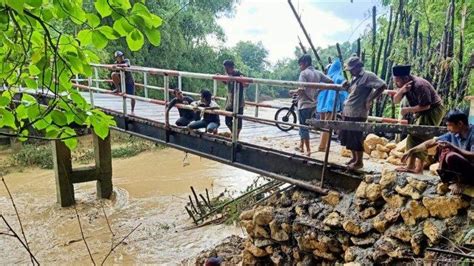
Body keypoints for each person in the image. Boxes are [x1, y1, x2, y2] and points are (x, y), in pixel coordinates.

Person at [402, 111, 473, 194]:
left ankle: (462, 182)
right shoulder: (453, 133)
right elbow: (431, 142)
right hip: (464, 170)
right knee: (441, 149)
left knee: (451, 156)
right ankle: (451, 180)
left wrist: (453, 147)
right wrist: (411, 150)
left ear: (460, 124)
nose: (448, 128)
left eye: (449, 125)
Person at [392, 65, 445, 173]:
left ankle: (419, 168)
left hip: (434, 110)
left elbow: (427, 105)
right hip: (422, 112)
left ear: (405, 78)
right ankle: (410, 166)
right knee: (412, 135)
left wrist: (407, 110)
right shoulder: (405, 86)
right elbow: (395, 100)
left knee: (422, 135)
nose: (396, 83)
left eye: (397, 81)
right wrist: (401, 90)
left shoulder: (420, 85)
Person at [340, 55, 387, 170]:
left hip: (358, 112)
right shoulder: (355, 78)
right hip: (348, 110)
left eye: (351, 70)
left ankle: (359, 162)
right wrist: (347, 87)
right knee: (348, 136)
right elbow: (353, 93)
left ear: (357, 67)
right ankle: (354, 158)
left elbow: (383, 85)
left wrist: (370, 99)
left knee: (356, 137)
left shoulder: (368, 76)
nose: (350, 72)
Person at [290, 54, 333, 156]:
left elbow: (301, 90)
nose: (300, 67)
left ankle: (308, 150)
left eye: (300, 65)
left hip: (304, 104)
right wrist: (318, 90)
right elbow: (330, 81)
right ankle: (301, 146)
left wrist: (292, 91)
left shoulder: (304, 73)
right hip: (314, 104)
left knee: (303, 127)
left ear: (305, 63)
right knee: (304, 125)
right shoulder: (318, 73)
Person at [316, 58, 348, 152]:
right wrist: (343, 106)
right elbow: (343, 94)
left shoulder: (326, 77)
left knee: (323, 125)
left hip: (322, 106)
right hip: (331, 105)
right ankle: (322, 147)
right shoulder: (340, 78)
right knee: (327, 126)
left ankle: (322, 145)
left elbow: (318, 91)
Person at [222, 60, 247, 137]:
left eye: (227, 68)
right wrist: (221, 78)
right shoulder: (228, 74)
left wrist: (241, 80)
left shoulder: (238, 74)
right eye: (225, 68)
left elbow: (246, 84)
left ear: (231, 67)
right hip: (230, 101)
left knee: (238, 119)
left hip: (239, 101)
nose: (225, 70)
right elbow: (226, 82)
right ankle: (234, 134)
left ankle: (236, 136)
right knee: (227, 120)